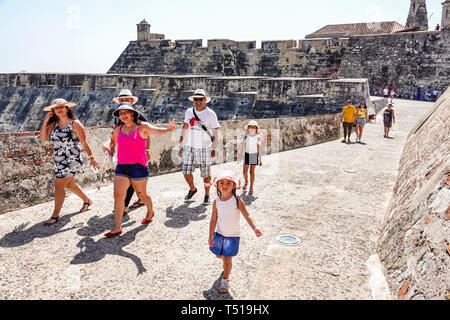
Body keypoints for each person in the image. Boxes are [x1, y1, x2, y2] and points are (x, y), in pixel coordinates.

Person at [104, 103, 176, 238]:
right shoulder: (119, 128)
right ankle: (117, 227)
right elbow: (112, 142)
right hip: (122, 167)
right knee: (118, 196)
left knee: (141, 195)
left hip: (139, 167)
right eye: (120, 113)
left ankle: (150, 211)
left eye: (126, 112)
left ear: (132, 114)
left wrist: (167, 129)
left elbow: (157, 131)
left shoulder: (142, 127)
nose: (123, 115)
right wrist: (107, 146)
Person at [39, 98, 100, 225]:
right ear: (53, 111)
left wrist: (92, 159)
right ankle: (87, 200)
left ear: (67, 109)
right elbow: (43, 137)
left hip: (72, 159)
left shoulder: (75, 124)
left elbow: (84, 142)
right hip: (59, 159)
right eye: (56, 108)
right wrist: (45, 120)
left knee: (59, 185)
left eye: (62, 107)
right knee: (70, 184)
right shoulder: (53, 124)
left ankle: (55, 216)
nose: (59, 109)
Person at [208, 172, 262, 293]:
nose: (225, 185)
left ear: (234, 186)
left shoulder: (237, 200)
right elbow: (213, 219)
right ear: (217, 185)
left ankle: (225, 280)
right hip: (220, 234)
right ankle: (226, 263)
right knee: (218, 255)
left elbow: (247, 215)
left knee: (227, 259)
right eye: (221, 183)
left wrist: (255, 227)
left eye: (228, 183)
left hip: (232, 237)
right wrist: (211, 234)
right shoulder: (216, 202)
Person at [103, 89, 151, 216]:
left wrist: (147, 150)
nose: (123, 101)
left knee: (132, 181)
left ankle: (125, 205)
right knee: (129, 180)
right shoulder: (119, 116)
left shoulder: (138, 116)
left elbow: (147, 133)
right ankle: (131, 202)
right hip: (125, 154)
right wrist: (111, 146)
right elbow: (116, 133)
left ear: (131, 101)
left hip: (137, 154)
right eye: (121, 100)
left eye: (126, 99)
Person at [179, 89, 220, 205]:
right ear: (193, 101)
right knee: (186, 171)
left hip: (205, 147)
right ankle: (192, 189)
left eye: (200, 99)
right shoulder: (189, 112)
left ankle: (207, 194)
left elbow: (215, 131)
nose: (198, 101)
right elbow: (185, 127)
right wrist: (181, 144)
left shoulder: (211, 114)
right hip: (190, 146)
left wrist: (214, 148)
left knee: (206, 173)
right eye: (195, 99)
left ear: (205, 100)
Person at [238, 120, 263, 195]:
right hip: (247, 154)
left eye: (253, 127)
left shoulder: (258, 137)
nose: (251, 128)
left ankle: (251, 187)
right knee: (244, 171)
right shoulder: (246, 136)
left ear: (256, 128)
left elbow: (259, 149)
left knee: (252, 172)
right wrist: (240, 156)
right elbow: (243, 146)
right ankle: (246, 181)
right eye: (250, 127)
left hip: (254, 155)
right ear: (248, 128)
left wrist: (260, 159)